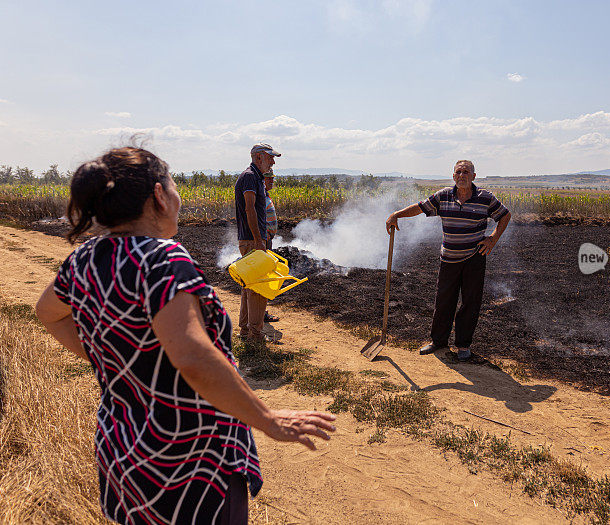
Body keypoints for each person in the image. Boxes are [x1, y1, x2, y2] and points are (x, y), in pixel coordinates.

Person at [35, 147, 335, 524]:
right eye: (174, 184)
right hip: (188, 461)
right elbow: (193, 357)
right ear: (159, 196)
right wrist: (269, 419)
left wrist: (119, 361)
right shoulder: (164, 258)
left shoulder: (86, 257)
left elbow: (48, 313)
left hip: (124, 452)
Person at [386, 160, 511, 361]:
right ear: (453, 176)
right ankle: (438, 342)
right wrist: (396, 215)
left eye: (466, 172)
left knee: (470, 302)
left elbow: (505, 215)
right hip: (449, 259)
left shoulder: (485, 198)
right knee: (443, 301)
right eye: (459, 172)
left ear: (474, 176)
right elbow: (420, 207)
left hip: (474, 258)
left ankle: (463, 345)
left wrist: (493, 239)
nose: (462, 175)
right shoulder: (443, 196)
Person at [235, 143, 280, 342]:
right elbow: (250, 209)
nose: (273, 161)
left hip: (252, 240)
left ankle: (246, 331)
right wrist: (259, 242)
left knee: (249, 287)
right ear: (259, 156)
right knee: (257, 289)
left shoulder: (254, 176)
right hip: (253, 241)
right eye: (270, 157)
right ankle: (255, 335)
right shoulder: (250, 177)